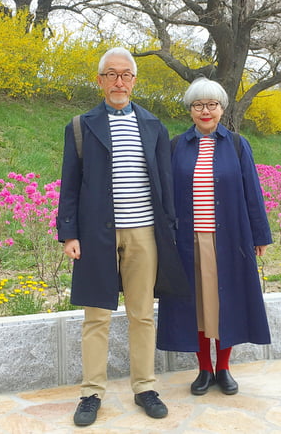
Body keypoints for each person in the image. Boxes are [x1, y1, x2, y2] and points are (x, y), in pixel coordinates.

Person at [57, 47, 188, 426]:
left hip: (144, 232)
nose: (119, 81)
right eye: (111, 74)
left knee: (142, 315)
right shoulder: (81, 126)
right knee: (96, 315)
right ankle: (91, 392)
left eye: (125, 74)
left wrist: (168, 231)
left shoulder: (153, 126)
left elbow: (163, 184)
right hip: (97, 234)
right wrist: (69, 233)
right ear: (99, 80)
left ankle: (144, 387)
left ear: (134, 81)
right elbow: (70, 184)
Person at [157, 77, 272, 396]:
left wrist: (259, 234)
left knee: (224, 303)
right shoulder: (176, 146)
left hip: (229, 239)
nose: (205, 111)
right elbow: (165, 195)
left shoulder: (237, 144)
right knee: (196, 305)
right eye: (198, 105)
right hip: (188, 242)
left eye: (211, 104)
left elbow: (253, 191)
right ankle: (203, 370)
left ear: (222, 109)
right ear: (190, 110)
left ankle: (223, 368)